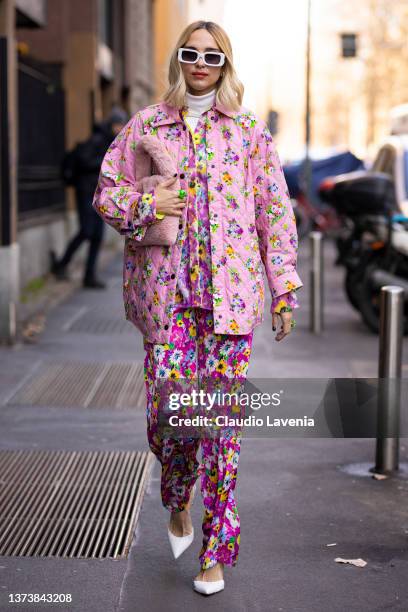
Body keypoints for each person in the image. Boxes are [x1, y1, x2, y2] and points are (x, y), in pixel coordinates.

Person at [92, 21, 303, 595]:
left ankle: (216, 550)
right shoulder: (145, 126)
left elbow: (275, 216)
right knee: (171, 423)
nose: (201, 63)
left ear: (226, 64)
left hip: (230, 307)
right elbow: (105, 194)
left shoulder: (249, 135)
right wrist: (146, 201)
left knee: (221, 432)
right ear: (179, 61)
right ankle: (177, 496)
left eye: (212, 55)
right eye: (190, 53)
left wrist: (283, 288)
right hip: (168, 304)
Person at [50, 106, 128, 288]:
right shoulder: (98, 138)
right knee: (87, 231)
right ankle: (61, 264)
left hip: (98, 193)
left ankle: (89, 275)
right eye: (119, 124)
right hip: (85, 191)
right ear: (112, 124)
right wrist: (104, 163)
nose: (120, 128)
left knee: (97, 236)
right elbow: (84, 161)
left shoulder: (111, 140)